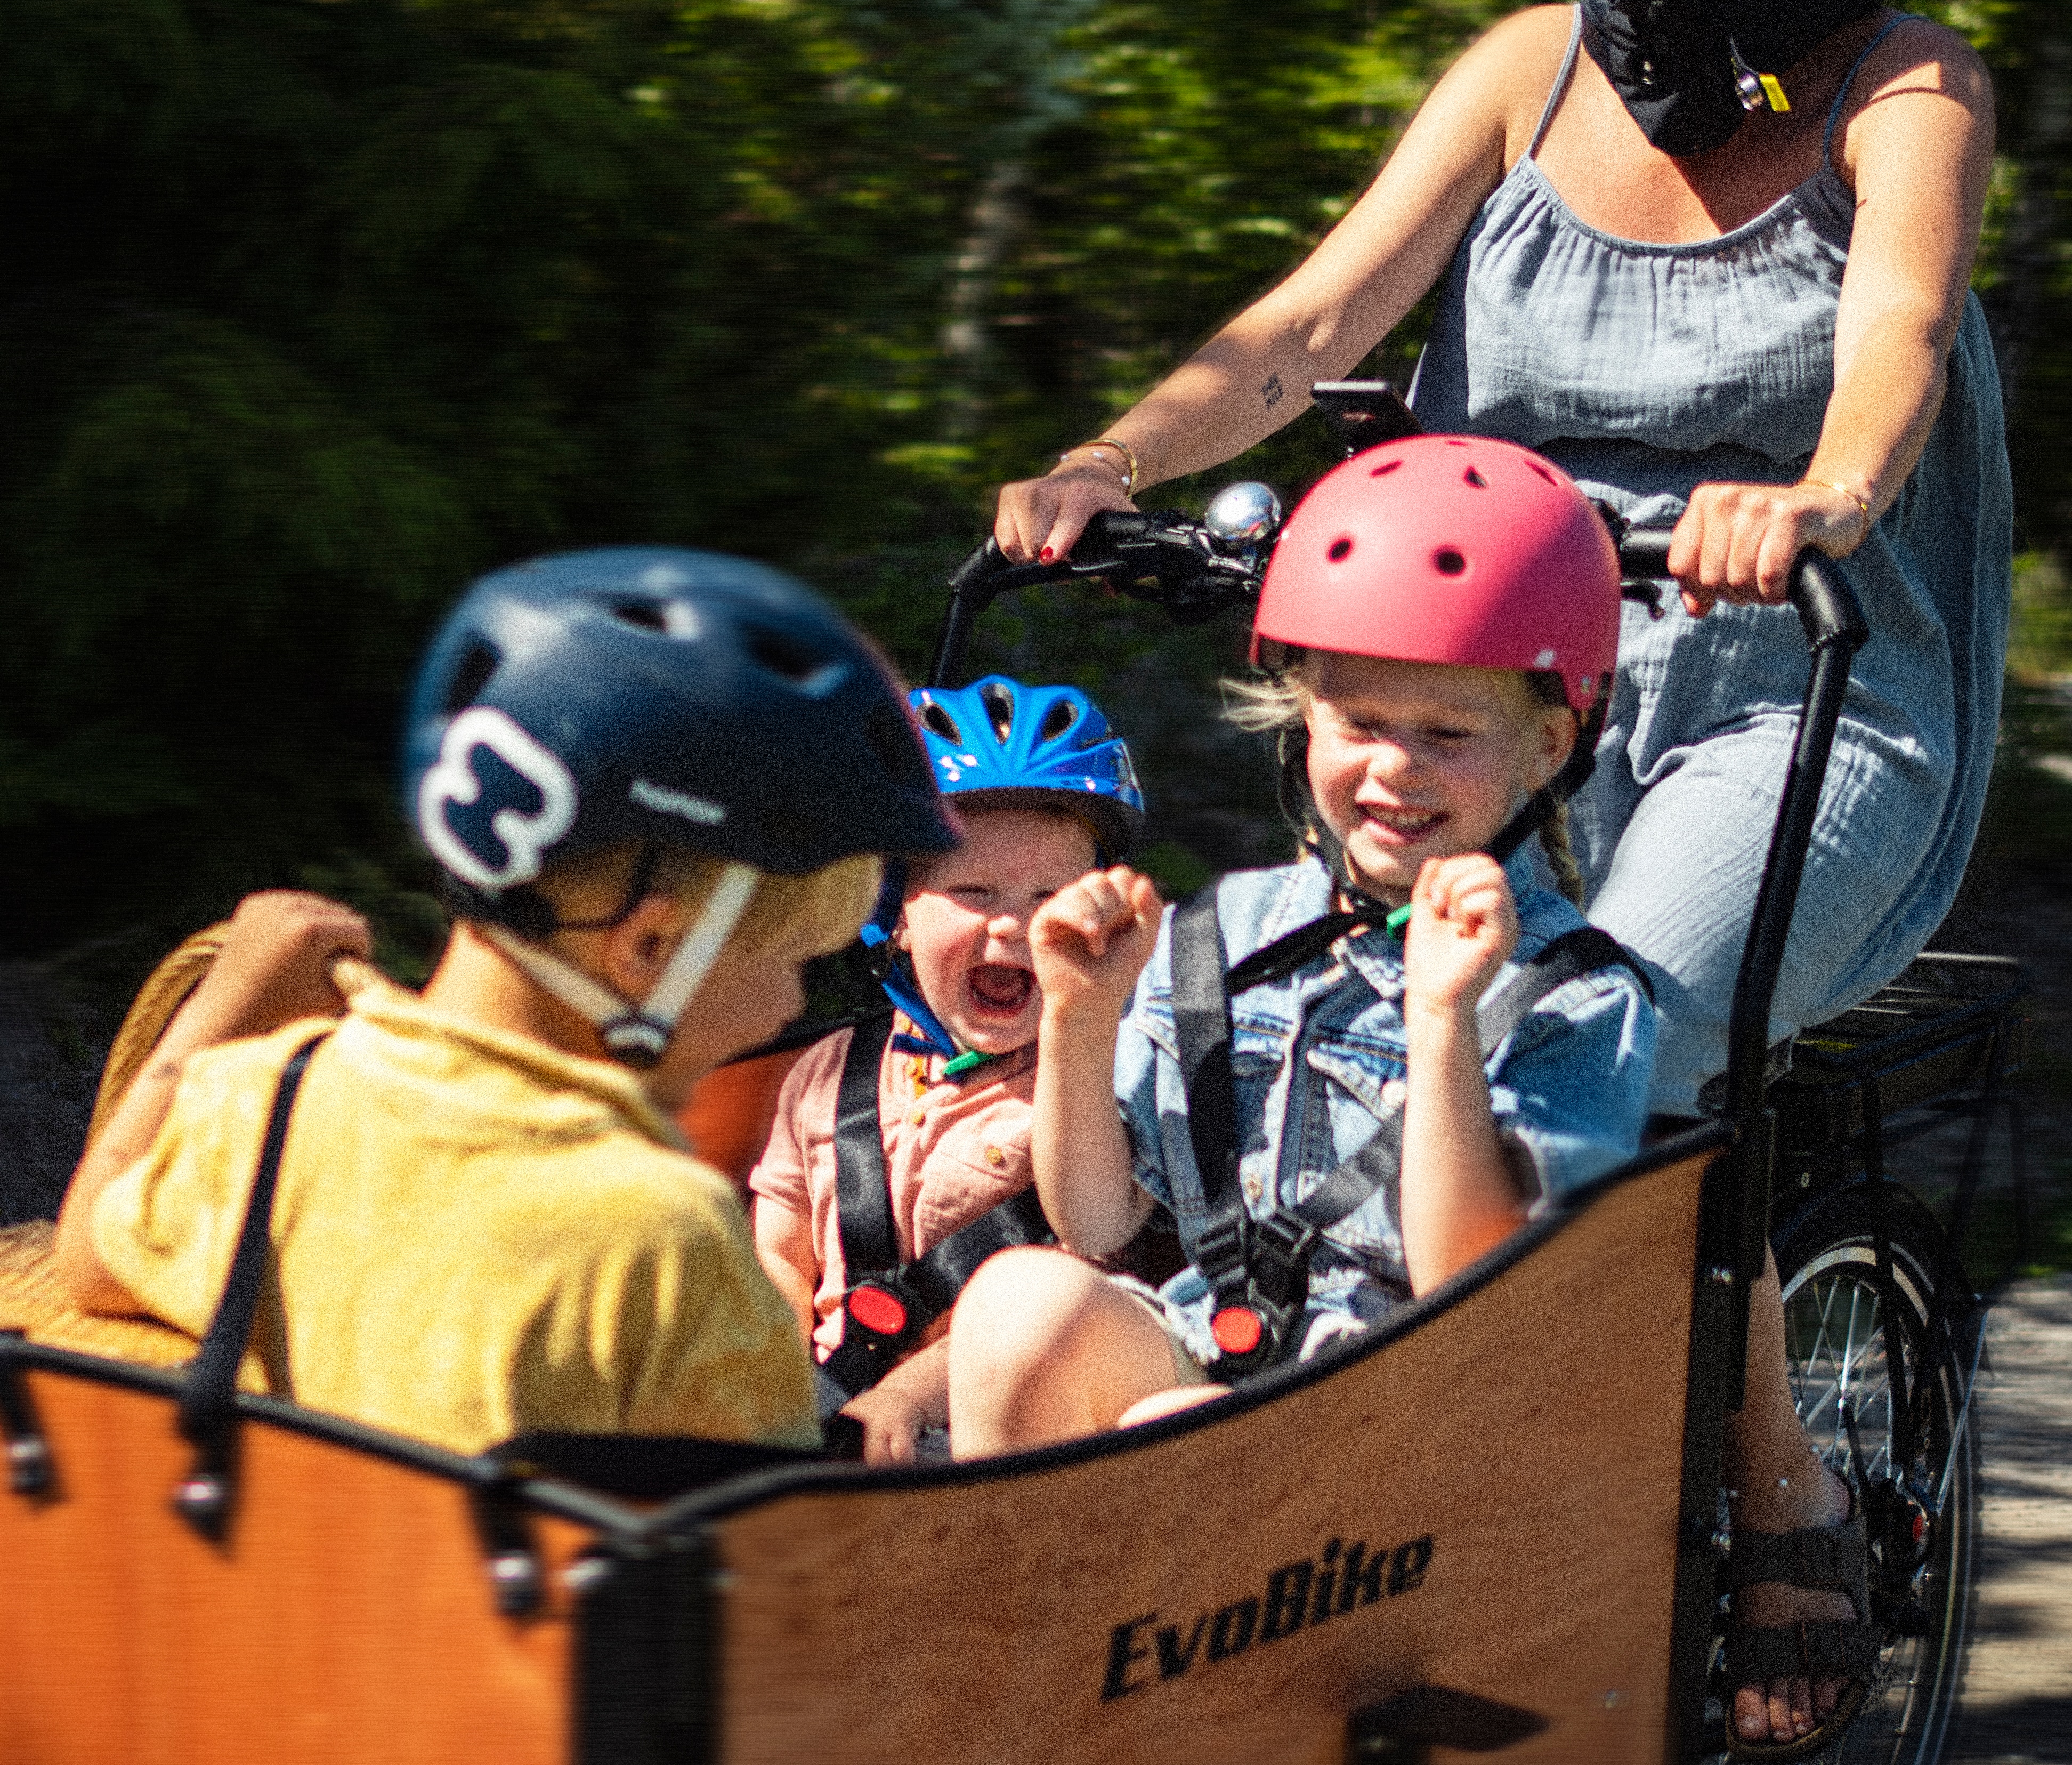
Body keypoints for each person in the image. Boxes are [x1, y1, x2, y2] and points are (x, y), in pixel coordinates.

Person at [986, 0, 2001, 1747]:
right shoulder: (1517, 74)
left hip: (1798, 680)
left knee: (1608, 1020)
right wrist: (1112, 456)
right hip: (1508, 685)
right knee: (1285, 1019)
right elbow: (1302, 327)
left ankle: (1773, 1481)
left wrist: (1815, 495)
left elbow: (1888, 331)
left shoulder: (1904, 87)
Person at [52, 547, 958, 1457]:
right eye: (795, 960)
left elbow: (90, 1260)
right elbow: (791, 1562)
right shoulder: (659, 1236)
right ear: (651, 948)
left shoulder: (262, 1099)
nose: (786, 1007)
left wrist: (234, 995)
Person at [949, 437, 1654, 1441]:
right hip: (1225, 1357)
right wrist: (1081, 1014)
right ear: (1303, 721)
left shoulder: (1568, 995)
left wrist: (1444, 1018)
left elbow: (1473, 1288)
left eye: (1447, 735)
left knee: (1174, 1422)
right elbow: (1098, 1224)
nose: (1393, 771)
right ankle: (1000, 1590)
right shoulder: (1225, 930)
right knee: (1021, 1301)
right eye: (1359, 722)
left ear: (1547, 746)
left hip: (1424, 1416)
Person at [749, 676, 1145, 1466]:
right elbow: (781, 1259)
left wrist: (903, 1395)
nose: (1014, 923)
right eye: (972, 891)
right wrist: (772, 1379)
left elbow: (1076, 1283)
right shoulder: (830, 1076)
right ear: (895, 909)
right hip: (820, 1403)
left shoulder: (1090, 1085)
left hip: (988, 1423)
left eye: (1053, 895)